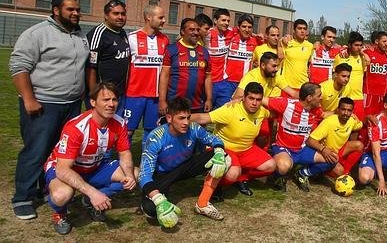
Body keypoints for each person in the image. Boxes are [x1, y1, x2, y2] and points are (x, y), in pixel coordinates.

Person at [10, 0, 89, 220]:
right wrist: (29, 99)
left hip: (71, 104)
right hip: (44, 103)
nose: (76, 13)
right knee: (36, 150)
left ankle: (47, 188)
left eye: (77, 9)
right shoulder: (37, 34)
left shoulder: (79, 35)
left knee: (59, 152)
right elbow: (18, 67)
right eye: (70, 9)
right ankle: (23, 197)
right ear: (56, 10)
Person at [44, 83, 137, 234]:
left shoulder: (120, 123)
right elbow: (62, 169)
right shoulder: (76, 127)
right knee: (62, 195)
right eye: (105, 100)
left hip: (94, 166)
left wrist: (129, 175)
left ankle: (89, 201)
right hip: (63, 168)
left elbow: (125, 153)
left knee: (134, 175)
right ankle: (60, 213)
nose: (111, 104)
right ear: (93, 102)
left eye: (114, 100)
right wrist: (93, 192)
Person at [140, 97, 229, 227]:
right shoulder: (156, 137)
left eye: (188, 117)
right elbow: (144, 174)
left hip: (185, 167)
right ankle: (155, 199)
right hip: (163, 174)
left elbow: (215, 140)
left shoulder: (194, 128)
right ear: (169, 118)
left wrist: (219, 152)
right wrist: (158, 199)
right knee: (152, 210)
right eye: (181, 118)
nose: (186, 122)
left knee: (225, 157)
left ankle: (203, 202)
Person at [192, 82, 276, 198]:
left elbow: (276, 112)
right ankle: (215, 184)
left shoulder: (261, 111)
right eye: (251, 98)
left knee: (271, 165)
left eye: (258, 99)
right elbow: (203, 118)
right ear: (244, 98)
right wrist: (176, 118)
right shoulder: (230, 109)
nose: (254, 103)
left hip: (246, 150)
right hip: (225, 149)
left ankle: (241, 178)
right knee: (232, 174)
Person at [265, 83, 329, 192]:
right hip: (283, 147)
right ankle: (277, 177)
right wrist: (240, 99)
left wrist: (340, 113)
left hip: (303, 149)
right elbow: (261, 100)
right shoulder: (286, 104)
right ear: (309, 98)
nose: (322, 98)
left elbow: (324, 115)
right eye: (319, 95)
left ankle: (302, 174)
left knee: (331, 159)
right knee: (283, 166)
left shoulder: (316, 110)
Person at [122, 4, 169, 143]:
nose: (164, 20)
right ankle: (123, 163)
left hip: (155, 97)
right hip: (134, 94)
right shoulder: (131, 38)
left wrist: (162, 98)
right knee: (128, 131)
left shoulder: (164, 40)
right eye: (160, 17)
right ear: (148, 17)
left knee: (152, 132)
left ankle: (147, 163)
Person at [159, 18, 212, 113]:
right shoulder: (172, 49)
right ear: (183, 32)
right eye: (191, 29)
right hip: (174, 104)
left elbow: (208, 77)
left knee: (196, 128)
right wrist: (162, 100)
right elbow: (164, 76)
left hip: (197, 104)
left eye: (198, 30)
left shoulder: (204, 52)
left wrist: (209, 99)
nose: (196, 32)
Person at [86, 0, 130, 105]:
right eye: (116, 13)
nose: (120, 17)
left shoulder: (122, 33)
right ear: (106, 15)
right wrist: (94, 94)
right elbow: (90, 67)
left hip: (119, 93)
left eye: (123, 14)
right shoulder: (99, 33)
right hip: (103, 94)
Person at [306, 98, 364, 178]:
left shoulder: (351, 121)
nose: (346, 113)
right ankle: (319, 170)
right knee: (339, 171)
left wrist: (368, 118)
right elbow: (310, 140)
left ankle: (346, 172)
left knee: (359, 145)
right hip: (327, 153)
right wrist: (323, 149)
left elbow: (360, 125)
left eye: (349, 110)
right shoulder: (329, 122)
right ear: (338, 110)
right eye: (343, 109)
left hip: (339, 151)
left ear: (352, 112)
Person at [218, 14, 264, 105]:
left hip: (245, 83)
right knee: (224, 107)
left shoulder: (256, 41)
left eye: (249, 27)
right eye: (244, 26)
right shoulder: (231, 37)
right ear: (238, 27)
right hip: (229, 82)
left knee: (239, 109)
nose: (247, 29)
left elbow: (270, 41)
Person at [334, 31, 369, 121]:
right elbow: (334, 75)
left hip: (358, 98)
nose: (359, 48)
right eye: (356, 45)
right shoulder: (341, 56)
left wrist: (364, 54)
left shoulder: (362, 58)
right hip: (344, 98)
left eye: (360, 45)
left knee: (357, 126)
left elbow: (369, 61)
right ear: (349, 45)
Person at [205, 8, 236, 108]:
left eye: (228, 21)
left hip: (223, 81)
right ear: (215, 21)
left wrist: (259, 36)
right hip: (207, 81)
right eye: (223, 20)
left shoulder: (230, 32)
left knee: (224, 112)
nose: (226, 23)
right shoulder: (207, 33)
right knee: (204, 113)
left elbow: (245, 31)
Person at [362, 31, 387, 117]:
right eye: (384, 41)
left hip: (383, 94)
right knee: (367, 118)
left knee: (380, 118)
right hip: (369, 93)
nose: (386, 44)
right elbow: (355, 49)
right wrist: (363, 53)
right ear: (377, 41)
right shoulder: (368, 52)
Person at [279, 19, 314, 92]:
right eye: (299, 28)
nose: (302, 31)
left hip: (304, 86)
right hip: (287, 86)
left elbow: (310, 63)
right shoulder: (287, 43)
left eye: (304, 29)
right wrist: (282, 39)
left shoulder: (310, 46)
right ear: (294, 31)